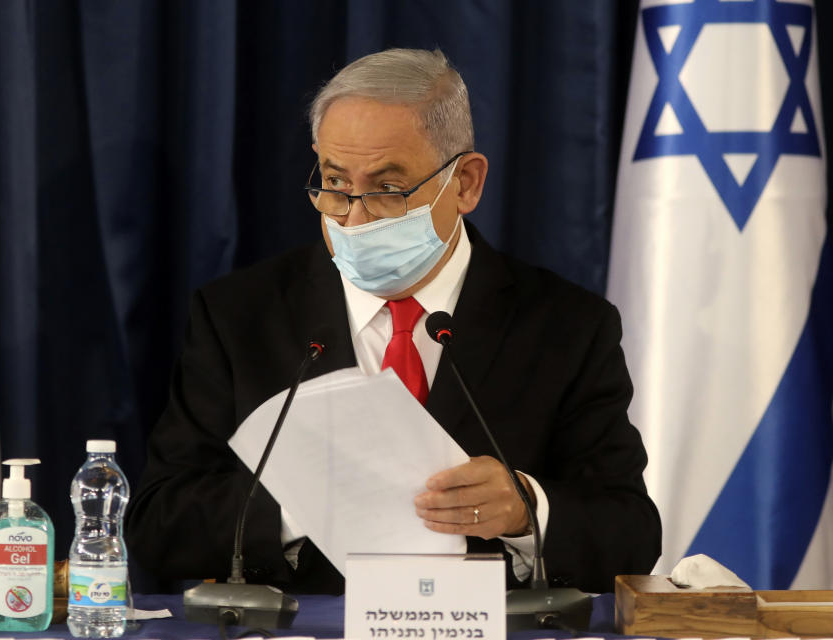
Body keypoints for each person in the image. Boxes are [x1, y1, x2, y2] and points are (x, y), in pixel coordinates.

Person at [125, 48, 661, 595]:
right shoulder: (239, 316)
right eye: (335, 182)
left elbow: (631, 534)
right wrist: (302, 505)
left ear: (466, 184)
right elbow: (158, 525)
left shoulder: (567, 326)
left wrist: (526, 511)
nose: (353, 219)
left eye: (386, 189)